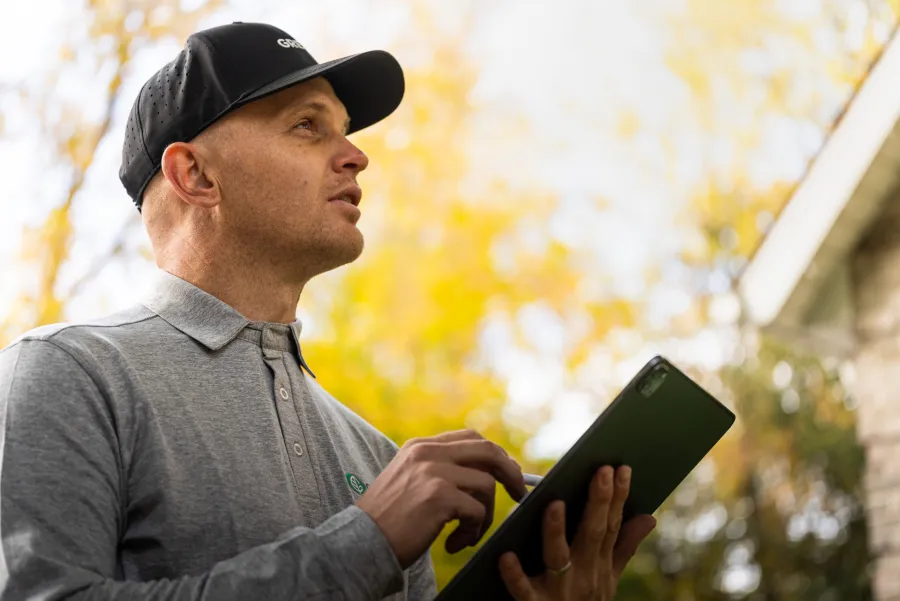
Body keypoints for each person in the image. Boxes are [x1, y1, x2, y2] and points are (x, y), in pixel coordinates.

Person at [0, 22, 656, 601]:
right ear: (196, 176)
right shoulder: (67, 374)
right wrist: (365, 543)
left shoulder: (375, 454)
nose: (356, 155)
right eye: (308, 125)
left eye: (343, 130)